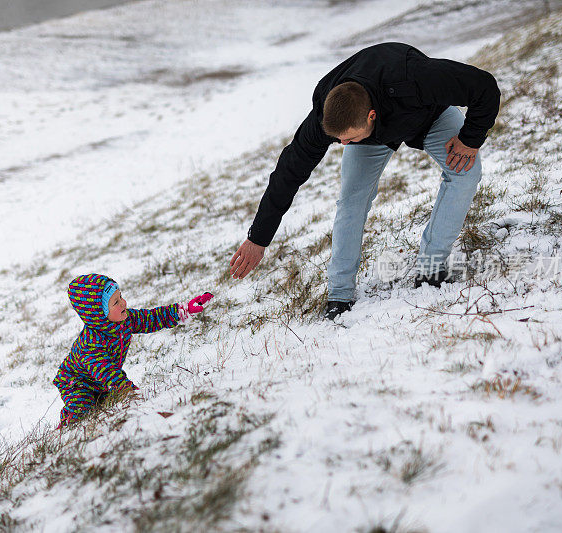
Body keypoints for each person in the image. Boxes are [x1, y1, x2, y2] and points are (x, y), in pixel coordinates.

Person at [228, 42, 500, 320]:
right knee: (351, 201)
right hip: (371, 134)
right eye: (338, 139)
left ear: (370, 116)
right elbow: (288, 173)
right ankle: (339, 294)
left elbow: (484, 86)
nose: (343, 144)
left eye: (347, 138)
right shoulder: (327, 114)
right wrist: (258, 238)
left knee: (465, 171)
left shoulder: (417, 76)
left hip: (427, 114)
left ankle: (431, 270)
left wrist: (470, 139)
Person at [53, 273, 213, 427]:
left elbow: (152, 318)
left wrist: (183, 310)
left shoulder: (126, 319)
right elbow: (107, 372)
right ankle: (67, 429)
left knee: (104, 407)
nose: (123, 303)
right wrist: (128, 390)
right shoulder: (90, 344)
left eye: (120, 296)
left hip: (99, 383)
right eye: (115, 302)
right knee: (83, 410)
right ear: (98, 314)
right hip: (76, 382)